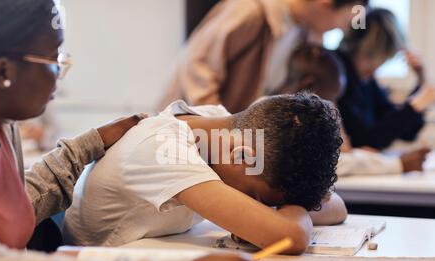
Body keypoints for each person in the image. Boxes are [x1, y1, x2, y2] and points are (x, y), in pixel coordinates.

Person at [0, 0, 259, 261]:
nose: (60, 74)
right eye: (53, 58)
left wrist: (90, 143)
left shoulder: (3, 126)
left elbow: (18, 200)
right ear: (2, 72)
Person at [64, 92, 347, 249]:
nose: (258, 208)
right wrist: (283, 217)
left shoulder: (219, 126)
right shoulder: (165, 149)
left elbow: (337, 206)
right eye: (256, 197)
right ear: (244, 158)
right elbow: (290, 236)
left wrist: (289, 208)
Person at [158, 0, 370, 113]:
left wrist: (341, 142)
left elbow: (320, 93)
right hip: (188, 137)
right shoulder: (252, 11)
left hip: (227, 144)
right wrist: (221, 128)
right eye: (344, 21)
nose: (340, 29)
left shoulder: (305, 34)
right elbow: (197, 65)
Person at [276, 44, 431, 175]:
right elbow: (332, 163)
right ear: (309, 85)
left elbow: (343, 152)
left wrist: (360, 155)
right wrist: (397, 164)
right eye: (331, 99)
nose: (334, 107)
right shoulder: (288, 119)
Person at [336, 8, 435, 150]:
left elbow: (406, 132)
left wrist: (420, 82)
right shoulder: (338, 76)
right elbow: (365, 141)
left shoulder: (367, 82)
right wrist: (417, 105)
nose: (378, 65)